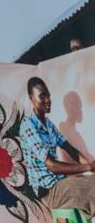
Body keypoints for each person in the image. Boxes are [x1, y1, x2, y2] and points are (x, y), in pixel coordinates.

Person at [19, 77, 95, 217]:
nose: (48, 100)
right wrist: (88, 167)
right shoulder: (28, 125)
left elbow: (70, 149)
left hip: (61, 182)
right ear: (31, 98)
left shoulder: (48, 124)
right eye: (42, 96)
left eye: (48, 95)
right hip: (49, 191)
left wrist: (91, 167)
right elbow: (52, 166)